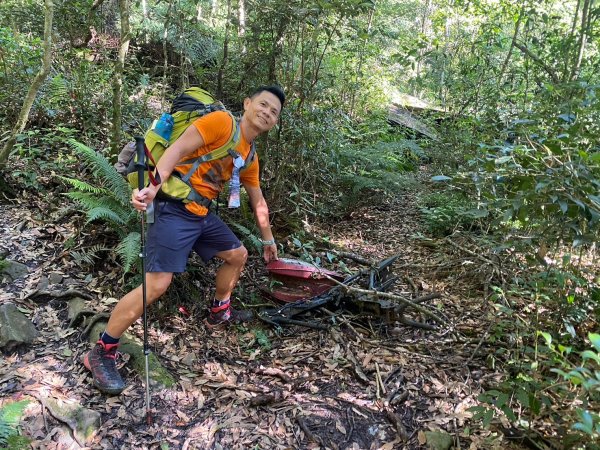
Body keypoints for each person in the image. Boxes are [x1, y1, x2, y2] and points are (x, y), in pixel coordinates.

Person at [83, 85, 285, 394]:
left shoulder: (250, 155)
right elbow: (176, 150)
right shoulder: (221, 123)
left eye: (274, 112)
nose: (267, 113)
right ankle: (103, 349)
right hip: (173, 209)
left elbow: (258, 200)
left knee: (238, 254)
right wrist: (151, 186)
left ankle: (219, 312)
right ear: (247, 103)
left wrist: (268, 241)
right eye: (263, 104)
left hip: (200, 214)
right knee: (157, 284)